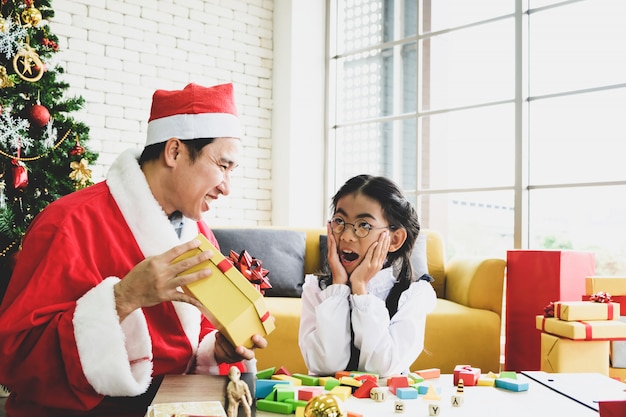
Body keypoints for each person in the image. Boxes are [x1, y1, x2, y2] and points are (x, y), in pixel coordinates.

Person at [0, 82, 267, 417]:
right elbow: (16, 360)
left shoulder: (199, 234)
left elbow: (197, 333)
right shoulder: (67, 223)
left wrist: (216, 350)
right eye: (222, 166)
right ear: (174, 152)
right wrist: (123, 298)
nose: (227, 187)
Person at [298, 174, 436, 378]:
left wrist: (360, 289)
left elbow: (382, 368)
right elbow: (325, 365)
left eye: (364, 225)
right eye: (339, 221)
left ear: (394, 239)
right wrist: (338, 287)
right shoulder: (316, 290)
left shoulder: (413, 295)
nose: (345, 236)